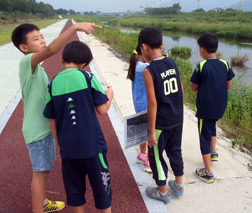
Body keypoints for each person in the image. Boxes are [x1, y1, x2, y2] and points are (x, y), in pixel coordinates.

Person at [11, 21, 101, 213]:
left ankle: (43, 202)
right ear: (23, 48)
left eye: (42, 36)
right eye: (36, 39)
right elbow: (52, 49)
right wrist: (75, 28)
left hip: (43, 128)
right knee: (40, 173)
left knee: (44, 170)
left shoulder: (37, 67)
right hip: (38, 130)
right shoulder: (28, 61)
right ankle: (39, 208)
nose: (42, 41)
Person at [43, 41, 114, 213]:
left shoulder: (52, 84)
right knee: (102, 189)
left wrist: (60, 141)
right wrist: (110, 95)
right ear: (84, 64)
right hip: (93, 146)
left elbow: (51, 118)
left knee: (75, 192)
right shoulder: (88, 77)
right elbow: (102, 109)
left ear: (62, 59)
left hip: (69, 148)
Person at [139, 27, 184, 204]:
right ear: (162, 44)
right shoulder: (171, 62)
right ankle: (179, 185)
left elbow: (152, 103)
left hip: (161, 123)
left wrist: (150, 131)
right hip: (177, 119)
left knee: (156, 155)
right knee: (175, 151)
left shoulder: (148, 71)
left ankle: (163, 192)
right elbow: (180, 88)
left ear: (144, 47)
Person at [190, 32, 235, 184]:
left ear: (202, 49)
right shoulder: (225, 64)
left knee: (204, 135)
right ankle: (213, 152)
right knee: (212, 126)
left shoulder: (201, 66)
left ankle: (207, 172)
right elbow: (229, 85)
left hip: (205, 109)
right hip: (220, 106)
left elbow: (193, 88)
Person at [127, 45, 151, 173]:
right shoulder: (144, 67)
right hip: (147, 104)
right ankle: (150, 162)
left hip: (139, 103)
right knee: (151, 132)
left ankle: (142, 154)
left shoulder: (135, 65)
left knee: (143, 130)